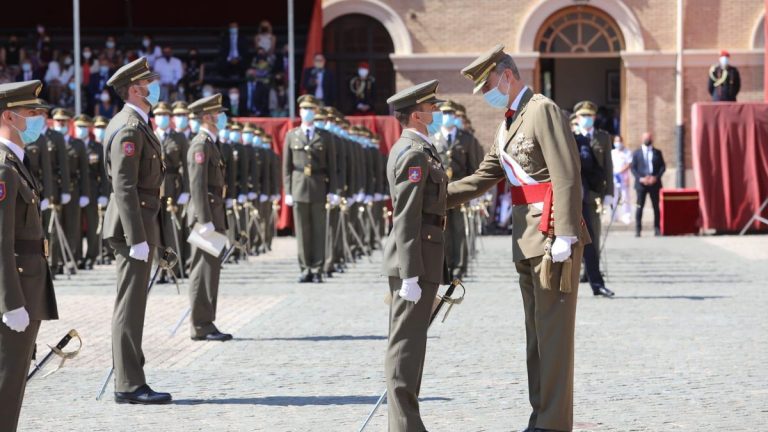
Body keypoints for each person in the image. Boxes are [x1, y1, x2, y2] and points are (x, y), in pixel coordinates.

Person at [447, 45, 587, 432]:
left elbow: (566, 173)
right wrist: (435, 198)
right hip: (525, 239)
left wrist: (566, 235)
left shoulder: (541, 110)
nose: (487, 94)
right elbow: (483, 176)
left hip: (550, 237)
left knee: (554, 338)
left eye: (488, 85)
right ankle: (540, 413)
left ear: (506, 75)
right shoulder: (507, 124)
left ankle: (554, 423)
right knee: (537, 337)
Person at [102, 57, 171, 404]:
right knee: (129, 306)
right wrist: (136, 237)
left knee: (134, 304)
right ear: (134, 89)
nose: (155, 86)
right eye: (149, 82)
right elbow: (124, 187)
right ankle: (128, 384)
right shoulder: (129, 127)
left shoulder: (138, 123)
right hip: (133, 227)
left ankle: (132, 376)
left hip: (140, 222)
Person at [381, 79, 448, 432]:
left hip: (422, 257)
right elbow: (405, 216)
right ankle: (405, 427)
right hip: (414, 260)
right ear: (418, 115)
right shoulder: (413, 153)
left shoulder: (422, 149)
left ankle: (407, 423)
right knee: (404, 348)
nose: (436, 113)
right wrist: (409, 274)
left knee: (413, 346)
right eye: (432, 108)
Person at [0, 80, 59, 432]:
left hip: (28, 282)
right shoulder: (4, 168)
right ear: (9, 115)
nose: (40, 120)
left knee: (15, 379)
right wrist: (10, 301)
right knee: (7, 380)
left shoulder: (17, 163)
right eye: (33, 113)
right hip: (17, 288)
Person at [185, 93, 233, 341]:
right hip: (205, 215)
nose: (222, 117)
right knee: (202, 271)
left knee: (210, 271)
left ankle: (207, 321)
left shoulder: (212, 142)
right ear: (207, 117)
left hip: (213, 212)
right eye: (218, 113)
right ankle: (200, 325)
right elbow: (197, 185)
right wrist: (203, 219)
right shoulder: (201, 144)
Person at [282, 95, 338, 283]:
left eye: (311, 109)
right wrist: (288, 192)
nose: (307, 112)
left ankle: (317, 269)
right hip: (299, 187)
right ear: (299, 112)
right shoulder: (291, 135)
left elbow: (332, 166)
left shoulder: (325, 136)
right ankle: (305, 268)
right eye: (304, 109)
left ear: (315, 112)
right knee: (303, 232)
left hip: (319, 186)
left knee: (319, 230)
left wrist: (333, 190)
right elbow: (286, 167)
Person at [432, 100, 480, 281]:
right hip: (441, 191)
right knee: (443, 230)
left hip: (461, 190)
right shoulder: (434, 136)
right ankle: (446, 266)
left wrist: (475, 193)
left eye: (450, 114)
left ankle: (460, 267)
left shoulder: (466, 138)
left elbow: (474, 167)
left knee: (460, 230)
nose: (447, 117)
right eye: (444, 114)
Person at [575, 132, 615, 297]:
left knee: (589, 243)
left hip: (582, 197)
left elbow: (594, 165)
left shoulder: (580, 140)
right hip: (557, 198)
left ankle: (597, 285)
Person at [51, 108, 91, 274]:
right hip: (54, 188)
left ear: (69, 123)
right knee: (54, 227)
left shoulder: (78, 144)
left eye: (64, 121)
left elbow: (84, 171)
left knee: (72, 226)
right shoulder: (49, 141)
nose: (61, 124)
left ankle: (71, 259)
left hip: (73, 189)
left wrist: (85, 194)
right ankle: (56, 261)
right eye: (58, 121)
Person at [573, 100, 613, 263]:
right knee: (575, 232)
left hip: (595, 192)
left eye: (589, 115)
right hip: (576, 191)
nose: (586, 118)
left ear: (595, 117)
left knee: (594, 232)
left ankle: (593, 268)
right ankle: (579, 268)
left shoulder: (603, 137)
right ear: (577, 117)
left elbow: (609, 166)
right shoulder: (572, 136)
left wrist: (610, 192)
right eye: (583, 115)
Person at [72, 114, 108, 270]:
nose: (81, 130)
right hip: (75, 189)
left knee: (93, 225)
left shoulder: (97, 148)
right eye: (79, 127)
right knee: (75, 226)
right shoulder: (71, 145)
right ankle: (77, 255)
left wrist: (103, 194)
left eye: (84, 127)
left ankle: (91, 256)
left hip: (93, 189)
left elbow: (104, 174)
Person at [631, 132, 665, 237]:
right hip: (641, 184)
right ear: (642, 138)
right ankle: (638, 229)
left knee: (656, 207)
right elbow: (633, 168)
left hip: (654, 184)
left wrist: (656, 177)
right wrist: (641, 178)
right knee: (639, 207)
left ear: (652, 139)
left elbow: (662, 167)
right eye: (645, 138)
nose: (647, 139)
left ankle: (657, 229)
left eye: (649, 138)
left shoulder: (657, 152)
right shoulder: (637, 153)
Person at [611, 134, 632, 225]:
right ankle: (614, 216)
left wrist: (620, 172)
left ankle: (626, 215)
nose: (617, 143)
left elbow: (629, 164)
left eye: (619, 141)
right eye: (616, 141)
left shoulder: (627, 152)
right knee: (614, 197)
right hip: (613, 178)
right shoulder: (612, 152)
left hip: (623, 178)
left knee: (625, 197)